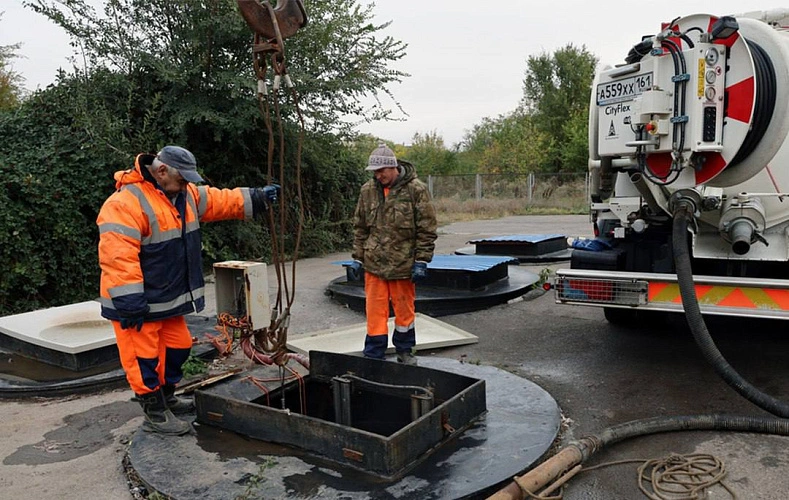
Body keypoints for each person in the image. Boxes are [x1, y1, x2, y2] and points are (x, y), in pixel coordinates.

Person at [97, 145, 279, 435]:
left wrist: (256, 197)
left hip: (167, 299)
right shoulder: (125, 204)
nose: (187, 186)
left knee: (178, 347)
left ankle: (166, 398)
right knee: (143, 358)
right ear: (161, 171)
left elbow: (221, 200)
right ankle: (154, 413)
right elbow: (118, 256)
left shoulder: (186, 194)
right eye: (182, 180)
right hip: (137, 304)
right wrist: (128, 301)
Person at [350, 144, 437, 365]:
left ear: (393, 166)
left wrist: (422, 260)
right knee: (374, 312)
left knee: (404, 312)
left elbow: (427, 228)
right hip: (374, 264)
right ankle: (373, 355)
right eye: (375, 172)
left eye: (382, 171)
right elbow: (360, 227)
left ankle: (405, 351)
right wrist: (358, 257)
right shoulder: (367, 191)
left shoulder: (416, 190)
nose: (378, 176)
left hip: (403, 263)